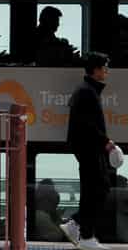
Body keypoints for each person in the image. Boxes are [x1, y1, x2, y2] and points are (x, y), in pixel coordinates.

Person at [60, 52, 117, 250]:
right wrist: (106, 141)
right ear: (95, 69)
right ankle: (83, 233)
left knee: (94, 189)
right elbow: (87, 124)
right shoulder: (86, 92)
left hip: (88, 147)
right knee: (99, 188)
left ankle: (79, 228)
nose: (107, 71)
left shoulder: (87, 90)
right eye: (104, 67)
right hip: (89, 147)